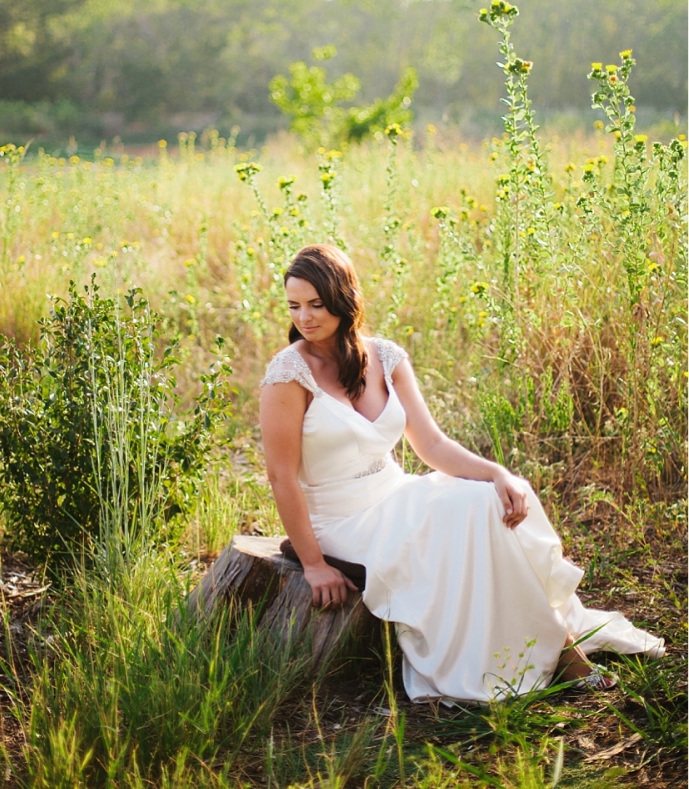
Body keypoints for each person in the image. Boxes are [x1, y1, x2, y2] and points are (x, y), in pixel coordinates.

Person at [258, 244, 662, 702]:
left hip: (395, 495)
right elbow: (281, 477)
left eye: (316, 303)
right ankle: (563, 653)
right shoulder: (289, 373)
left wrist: (496, 473)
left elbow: (430, 445)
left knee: (485, 501)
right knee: (464, 513)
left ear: (344, 298)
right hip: (341, 520)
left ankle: (548, 641)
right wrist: (313, 564)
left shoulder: (385, 358)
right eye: (294, 305)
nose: (305, 317)